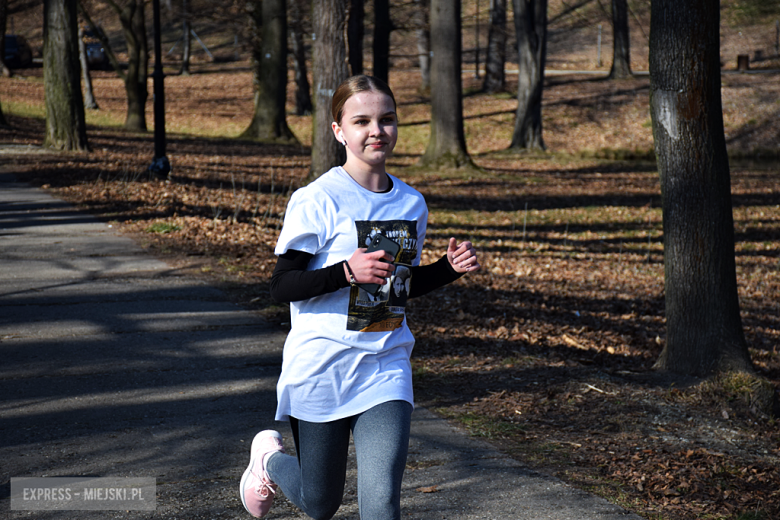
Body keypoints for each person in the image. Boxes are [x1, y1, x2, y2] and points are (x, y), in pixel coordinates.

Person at [239, 75, 480, 520]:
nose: (376, 130)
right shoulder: (317, 199)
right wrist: (345, 272)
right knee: (320, 503)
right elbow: (281, 286)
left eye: (386, 120)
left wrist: (447, 269)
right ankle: (268, 460)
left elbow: (397, 287)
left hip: (384, 365)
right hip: (322, 368)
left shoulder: (411, 204)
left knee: (382, 502)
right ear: (339, 131)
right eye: (362, 120)